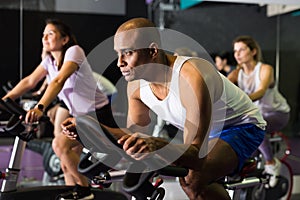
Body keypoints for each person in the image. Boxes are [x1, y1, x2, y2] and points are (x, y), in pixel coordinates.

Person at [62, 18, 266, 200]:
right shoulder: (135, 87)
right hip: (207, 130)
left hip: (241, 126)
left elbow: (195, 155)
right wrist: (94, 130)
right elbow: (133, 137)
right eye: (118, 54)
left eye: (128, 53)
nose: (119, 63)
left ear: (152, 51)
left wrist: (157, 144)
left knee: (192, 178)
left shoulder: (191, 76)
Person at [2, 18, 117, 200]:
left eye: (50, 33)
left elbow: (58, 80)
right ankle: (77, 193)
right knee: (66, 164)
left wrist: (40, 107)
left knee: (59, 145)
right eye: (43, 35)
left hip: (97, 114)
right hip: (79, 115)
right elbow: (30, 81)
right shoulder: (49, 62)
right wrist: (5, 100)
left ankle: (85, 190)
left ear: (64, 39)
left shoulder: (74, 51)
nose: (45, 38)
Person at [227, 35, 291, 188]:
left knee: (256, 125)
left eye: (242, 50)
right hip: (256, 114)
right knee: (244, 133)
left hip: (278, 113)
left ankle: (271, 163)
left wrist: (240, 102)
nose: (237, 54)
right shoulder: (236, 73)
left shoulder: (265, 69)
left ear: (253, 51)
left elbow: (261, 91)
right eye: (235, 51)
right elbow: (224, 88)